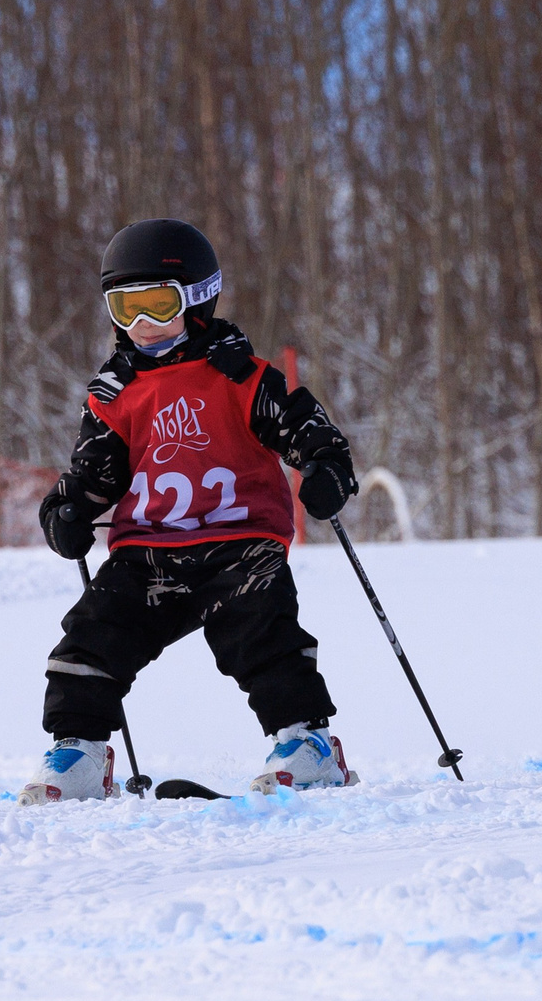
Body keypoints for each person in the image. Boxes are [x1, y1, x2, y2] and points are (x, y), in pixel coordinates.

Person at [23, 218, 361, 803]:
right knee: (92, 635)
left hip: (240, 543)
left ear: (199, 300)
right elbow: (94, 475)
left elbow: (308, 431)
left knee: (259, 630)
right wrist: (68, 511)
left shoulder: (242, 377)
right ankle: (79, 752)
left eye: (158, 304)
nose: (142, 323)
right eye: (125, 308)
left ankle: (306, 744)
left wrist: (326, 469)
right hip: (149, 551)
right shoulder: (115, 391)